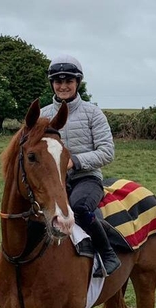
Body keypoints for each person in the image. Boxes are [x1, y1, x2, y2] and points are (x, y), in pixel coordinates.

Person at [40, 55, 120, 277]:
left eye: (69, 81)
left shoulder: (93, 113)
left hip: (87, 178)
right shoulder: (43, 115)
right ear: (52, 84)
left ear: (77, 83)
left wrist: (74, 161)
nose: (63, 86)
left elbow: (107, 152)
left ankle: (107, 253)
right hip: (55, 181)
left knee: (80, 207)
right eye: (58, 81)